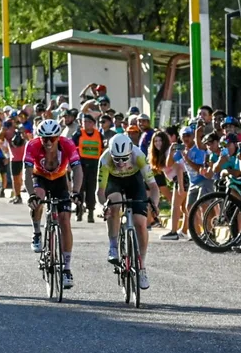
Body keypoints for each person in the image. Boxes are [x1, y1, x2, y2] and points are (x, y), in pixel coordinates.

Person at [24, 119, 83, 289]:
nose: (48, 142)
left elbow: (77, 169)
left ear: (58, 137)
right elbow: (27, 173)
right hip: (40, 177)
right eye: (45, 138)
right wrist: (31, 195)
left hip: (59, 179)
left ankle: (67, 269)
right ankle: (37, 233)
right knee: (38, 198)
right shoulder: (33, 145)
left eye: (52, 138)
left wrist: (76, 191)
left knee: (65, 221)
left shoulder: (67, 144)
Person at [97, 134, 161, 290]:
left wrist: (154, 204)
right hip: (113, 182)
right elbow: (100, 192)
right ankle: (113, 246)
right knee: (115, 204)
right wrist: (104, 206)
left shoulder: (139, 156)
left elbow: (153, 187)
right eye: (116, 159)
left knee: (140, 223)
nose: (120, 163)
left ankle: (142, 266)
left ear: (130, 153)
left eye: (124, 159)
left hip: (134, 181)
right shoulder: (105, 159)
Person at [73, 113, 103, 223]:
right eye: (84, 122)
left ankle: (90, 212)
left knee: (91, 190)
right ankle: (79, 210)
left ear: (93, 123)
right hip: (80, 165)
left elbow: (102, 149)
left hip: (94, 166)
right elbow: (72, 149)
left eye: (88, 122)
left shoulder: (99, 135)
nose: (86, 124)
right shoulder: (77, 134)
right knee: (79, 189)